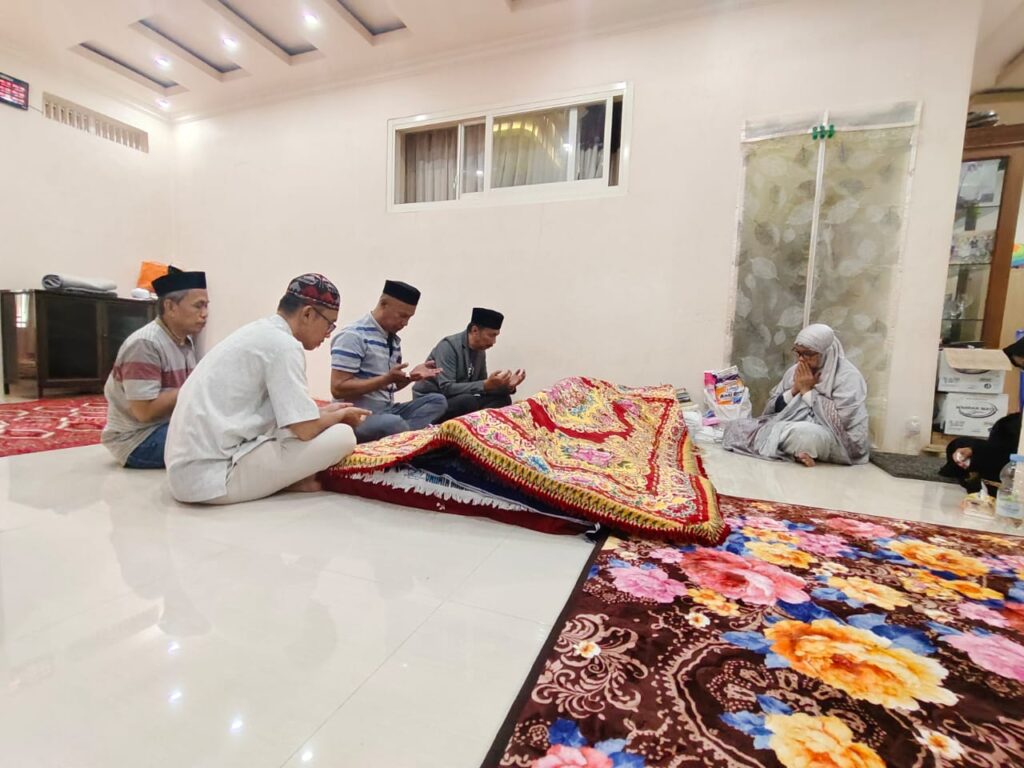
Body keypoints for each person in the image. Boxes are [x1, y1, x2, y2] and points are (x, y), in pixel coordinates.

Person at [165, 273, 368, 504]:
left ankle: (283, 480)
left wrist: (324, 413)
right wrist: (339, 416)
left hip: (187, 473)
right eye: (329, 323)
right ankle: (284, 481)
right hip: (212, 479)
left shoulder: (262, 332)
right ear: (308, 314)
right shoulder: (284, 346)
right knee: (343, 436)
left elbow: (285, 416)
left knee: (299, 429)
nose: (329, 333)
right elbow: (304, 429)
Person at [101, 266, 208, 469]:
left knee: (228, 426)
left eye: (206, 306)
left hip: (167, 426)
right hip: (138, 440)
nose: (205, 314)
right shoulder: (145, 344)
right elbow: (144, 412)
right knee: (217, 437)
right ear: (170, 307)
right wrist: (196, 386)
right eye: (198, 306)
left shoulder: (184, 341)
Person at [723, 323, 869, 466]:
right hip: (788, 425)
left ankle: (791, 448)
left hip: (835, 440)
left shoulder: (848, 377)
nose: (801, 359)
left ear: (825, 353)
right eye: (798, 352)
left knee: (805, 434)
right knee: (737, 426)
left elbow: (842, 424)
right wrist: (794, 390)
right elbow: (771, 411)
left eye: (808, 354)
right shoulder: (796, 371)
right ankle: (797, 452)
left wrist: (807, 391)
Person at [330, 279, 446, 442]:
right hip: (357, 414)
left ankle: (402, 435)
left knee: (437, 401)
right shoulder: (354, 336)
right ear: (384, 304)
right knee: (394, 423)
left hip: (386, 410)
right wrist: (386, 379)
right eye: (402, 316)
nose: (405, 323)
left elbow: (388, 388)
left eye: (409, 318)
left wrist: (410, 378)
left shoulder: (392, 340)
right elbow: (338, 388)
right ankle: (405, 437)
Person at [413, 307, 525, 422]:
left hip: (460, 399)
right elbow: (447, 388)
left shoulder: (480, 351)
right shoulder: (448, 346)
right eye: (491, 335)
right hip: (432, 403)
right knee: (467, 401)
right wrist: (485, 385)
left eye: (496, 336)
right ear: (475, 330)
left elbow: (481, 387)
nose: (493, 342)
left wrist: (507, 387)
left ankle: (479, 428)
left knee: (503, 399)